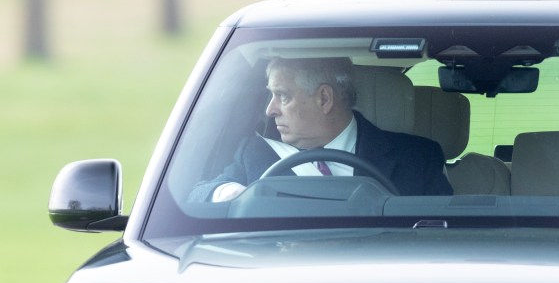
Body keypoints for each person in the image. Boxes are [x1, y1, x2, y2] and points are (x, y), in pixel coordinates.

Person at [190, 57, 453, 202]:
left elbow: (444, 237)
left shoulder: (418, 157)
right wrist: (229, 193)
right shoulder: (255, 154)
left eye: (282, 96)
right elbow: (197, 196)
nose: (270, 110)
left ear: (324, 99)